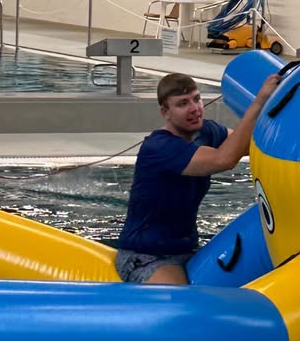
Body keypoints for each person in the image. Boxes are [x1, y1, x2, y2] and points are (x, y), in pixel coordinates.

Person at [114, 69, 279, 286]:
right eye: (182, 104)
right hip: (145, 256)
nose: (194, 109)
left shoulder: (206, 132)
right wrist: (259, 102)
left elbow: (247, 145)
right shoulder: (159, 147)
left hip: (186, 250)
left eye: (196, 99)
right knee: (181, 300)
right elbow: (224, 159)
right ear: (165, 112)